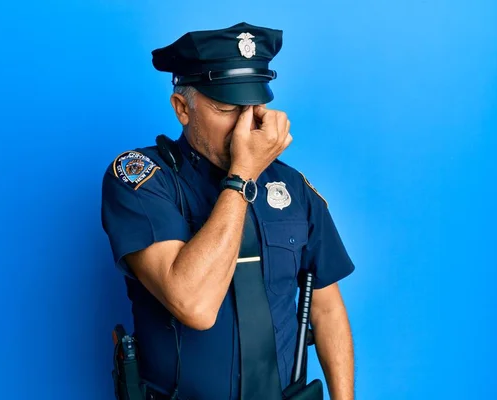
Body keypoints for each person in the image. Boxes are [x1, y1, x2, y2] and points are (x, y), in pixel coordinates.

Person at [101, 22, 355, 400]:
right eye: (227, 109)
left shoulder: (293, 188)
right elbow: (196, 306)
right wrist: (241, 177)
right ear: (182, 108)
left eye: (255, 110)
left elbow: (327, 309)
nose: (245, 128)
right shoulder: (142, 180)